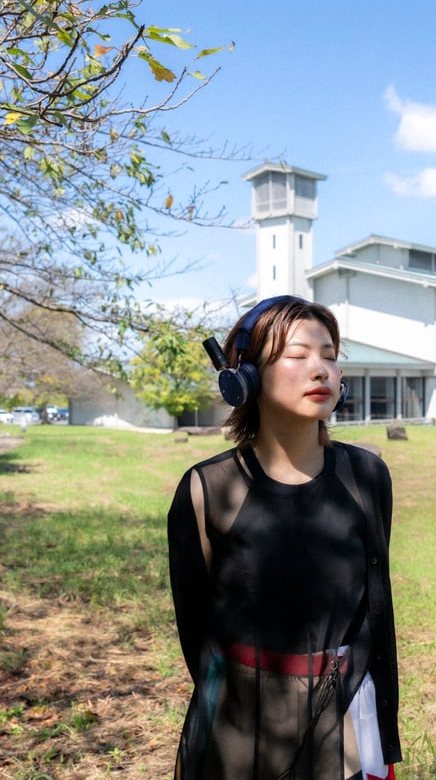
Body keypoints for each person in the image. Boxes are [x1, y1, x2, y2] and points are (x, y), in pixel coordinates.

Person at [167, 296, 401, 780]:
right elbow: (196, 627)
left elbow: (372, 611)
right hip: (242, 726)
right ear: (245, 376)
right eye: (298, 355)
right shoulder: (208, 490)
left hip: (347, 717)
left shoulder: (368, 476)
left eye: (330, 356)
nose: (320, 370)